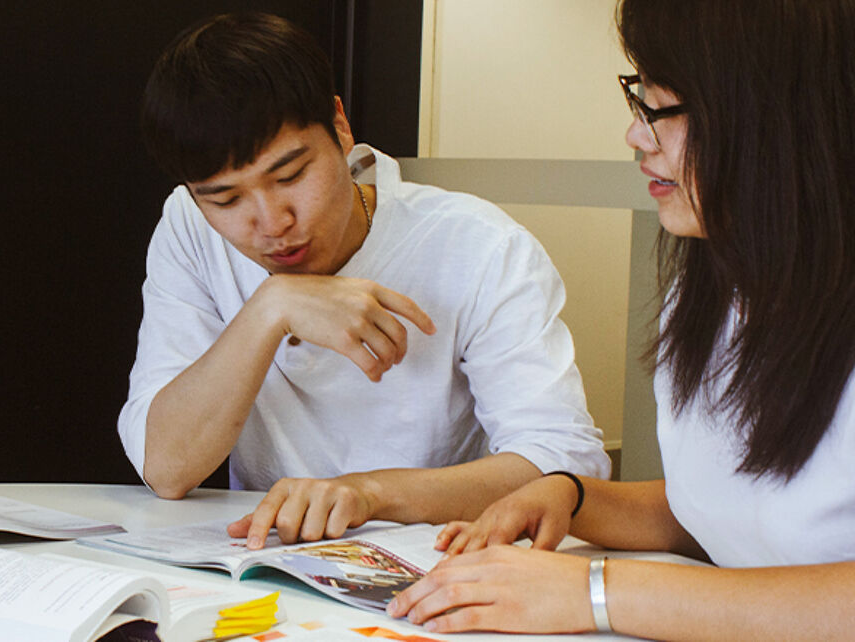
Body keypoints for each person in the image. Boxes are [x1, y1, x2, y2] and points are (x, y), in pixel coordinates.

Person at [388, 0, 855, 638]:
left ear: (775, 118)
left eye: (660, 107)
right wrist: (574, 497)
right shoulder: (720, 290)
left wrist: (598, 591)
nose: (636, 135)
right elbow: (738, 512)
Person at [120, 12, 609, 550]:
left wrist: (369, 494)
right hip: (268, 564)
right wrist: (270, 307)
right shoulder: (190, 227)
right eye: (227, 199)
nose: (273, 223)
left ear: (340, 126)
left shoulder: (479, 245)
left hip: (438, 563)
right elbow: (165, 466)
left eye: (291, 176)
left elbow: (564, 465)